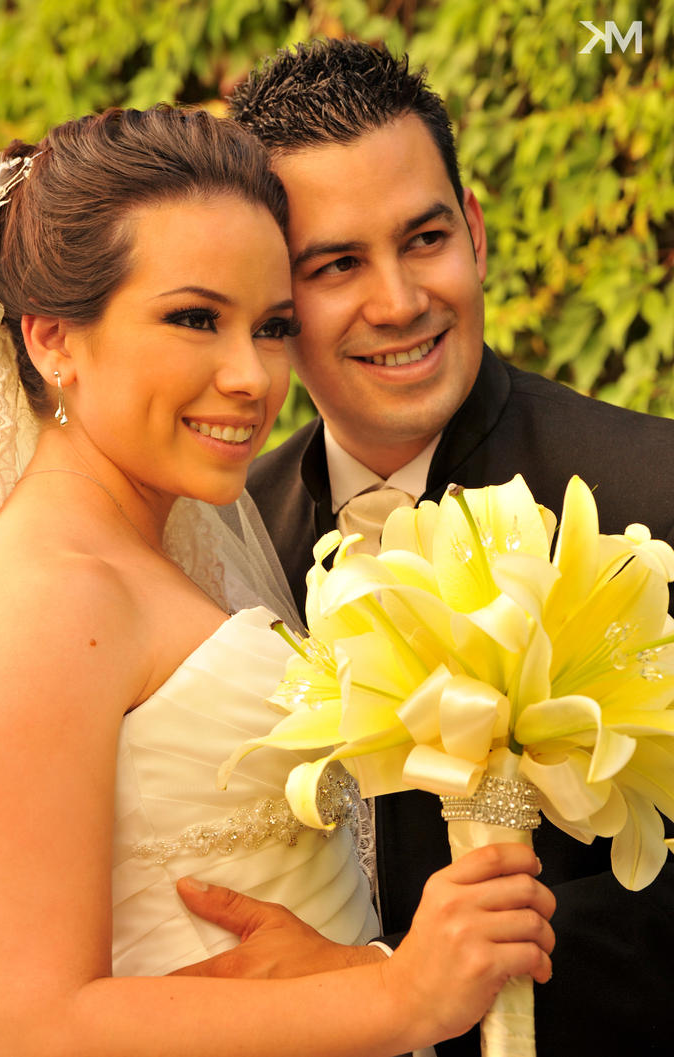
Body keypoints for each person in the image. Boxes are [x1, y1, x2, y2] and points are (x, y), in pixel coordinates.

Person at [0, 105, 556, 1057]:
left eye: (273, 325)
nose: (253, 377)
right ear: (51, 340)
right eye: (195, 319)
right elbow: (36, 1026)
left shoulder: (172, 548)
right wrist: (400, 996)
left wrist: (376, 973)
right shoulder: (48, 592)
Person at [217, 39, 672, 1057]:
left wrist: (387, 984)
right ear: (274, 297)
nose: (399, 300)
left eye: (424, 239)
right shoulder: (224, 533)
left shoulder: (653, 493)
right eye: (337, 264)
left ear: (473, 229)